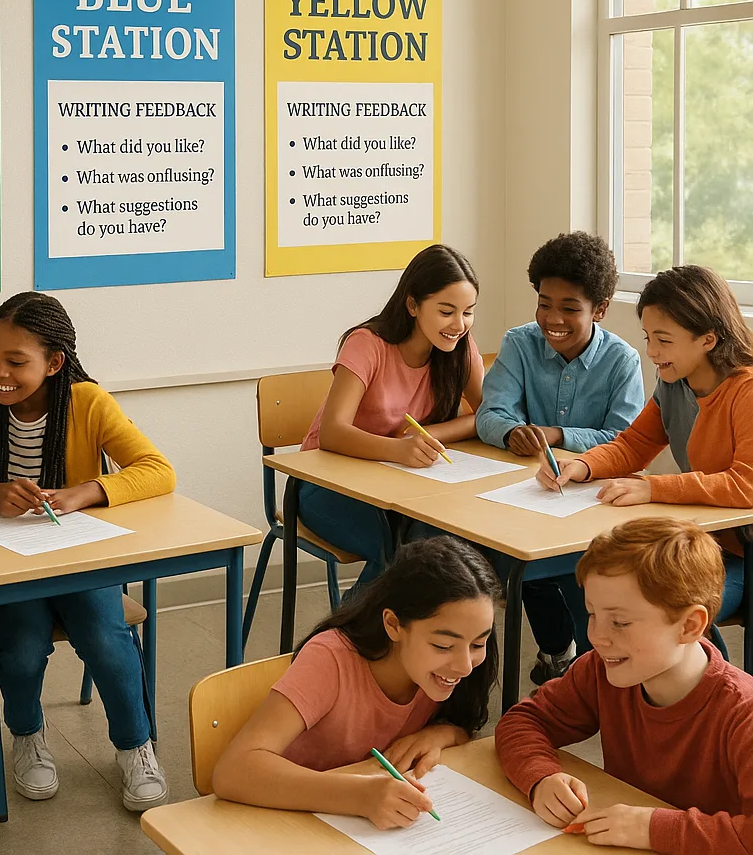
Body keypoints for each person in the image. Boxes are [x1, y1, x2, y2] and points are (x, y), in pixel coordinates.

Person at [0, 291, 175, 812]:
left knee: (107, 637)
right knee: (21, 643)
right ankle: (27, 736)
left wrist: (86, 490)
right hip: (0, 562)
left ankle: (135, 747)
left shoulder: (87, 401)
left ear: (55, 361)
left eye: (16, 361)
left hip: (75, 557)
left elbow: (157, 469)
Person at [495, 517, 753, 854]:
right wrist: (541, 777)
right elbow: (523, 721)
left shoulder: (742, 715)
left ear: (689, 625)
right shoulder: (601, 671)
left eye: (619, 622)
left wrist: (653, 828)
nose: (597, 637)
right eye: (591, 614)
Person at [212, 536, 500, 829]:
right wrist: (361, 796)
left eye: (478, 644)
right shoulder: (331, 660)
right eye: (442, 645)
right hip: (283, 822)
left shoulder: (448, 665)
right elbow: (234, 771)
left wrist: (444, 734)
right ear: (393, 625)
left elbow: (465, 725)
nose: (465, 666)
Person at [538, 264, 752, 631]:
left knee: (654, 612)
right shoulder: (674, 380)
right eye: (648, 336)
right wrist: (582, 465)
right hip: (701, 544)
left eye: (663, 340)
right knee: (596, 581)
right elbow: (634, 445)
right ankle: (604, 683)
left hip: (739, 556)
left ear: (708, 339)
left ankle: (701, 686)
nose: (651, 351)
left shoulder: (745, 391)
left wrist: (654, 487)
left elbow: (746, 485)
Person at [476, 231, 645, 685]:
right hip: (530, 496)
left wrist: (556, 434)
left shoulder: (622, 361)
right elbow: (490, 412)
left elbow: (625, 439)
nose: (553, 319)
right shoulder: (519, 344)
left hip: (594, 502)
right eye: (544, 303)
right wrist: (511, 431)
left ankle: (596, 671)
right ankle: (557, 654)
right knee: (520, 567)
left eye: (569, 308)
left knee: (584, 577)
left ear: (601, 309)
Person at [298, 244, 484, 591]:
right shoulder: (367, 343)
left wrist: (429, 433)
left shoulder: (460, 349)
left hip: (401, 487)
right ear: (412, 305)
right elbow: (332, 433)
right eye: (446, 311)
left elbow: (488, 416)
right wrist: (398, 449)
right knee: (401, 553)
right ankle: (349, 638)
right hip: (325, 484)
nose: (458, 325)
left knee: (436, 544)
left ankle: (399, 641)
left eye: (468, 312)